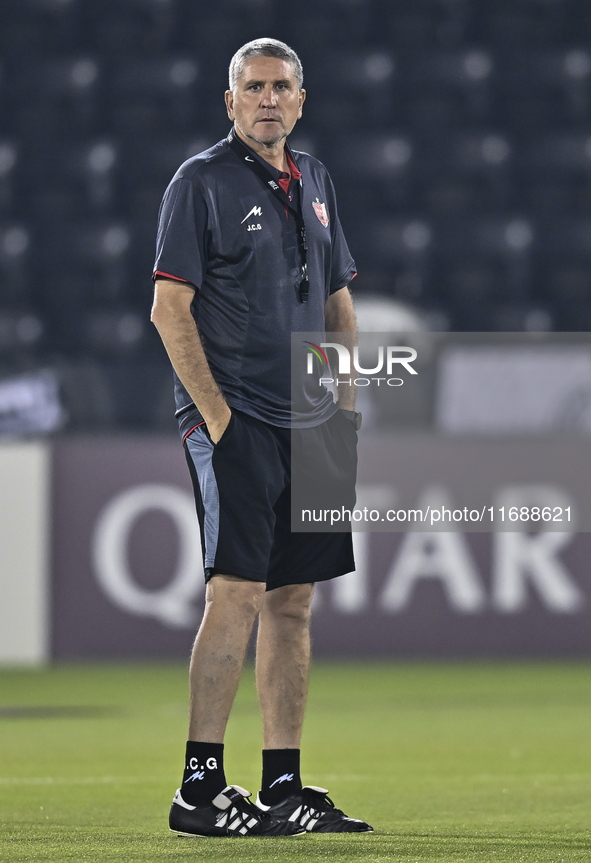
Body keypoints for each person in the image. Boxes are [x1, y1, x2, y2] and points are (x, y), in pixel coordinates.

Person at [151, 37, 372, 838]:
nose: (269, 99)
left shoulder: (315, 180)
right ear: (231, 101)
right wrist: (216, 418)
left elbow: (339, 304)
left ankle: (283, 785)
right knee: (236, 591)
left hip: (309, 422)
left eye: (282, 86)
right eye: (254, 87)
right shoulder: (199, 182)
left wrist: (342, 408)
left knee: (293, 602)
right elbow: (168, 309)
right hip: (234, 413)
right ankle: (198, 787)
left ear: (301, 100)